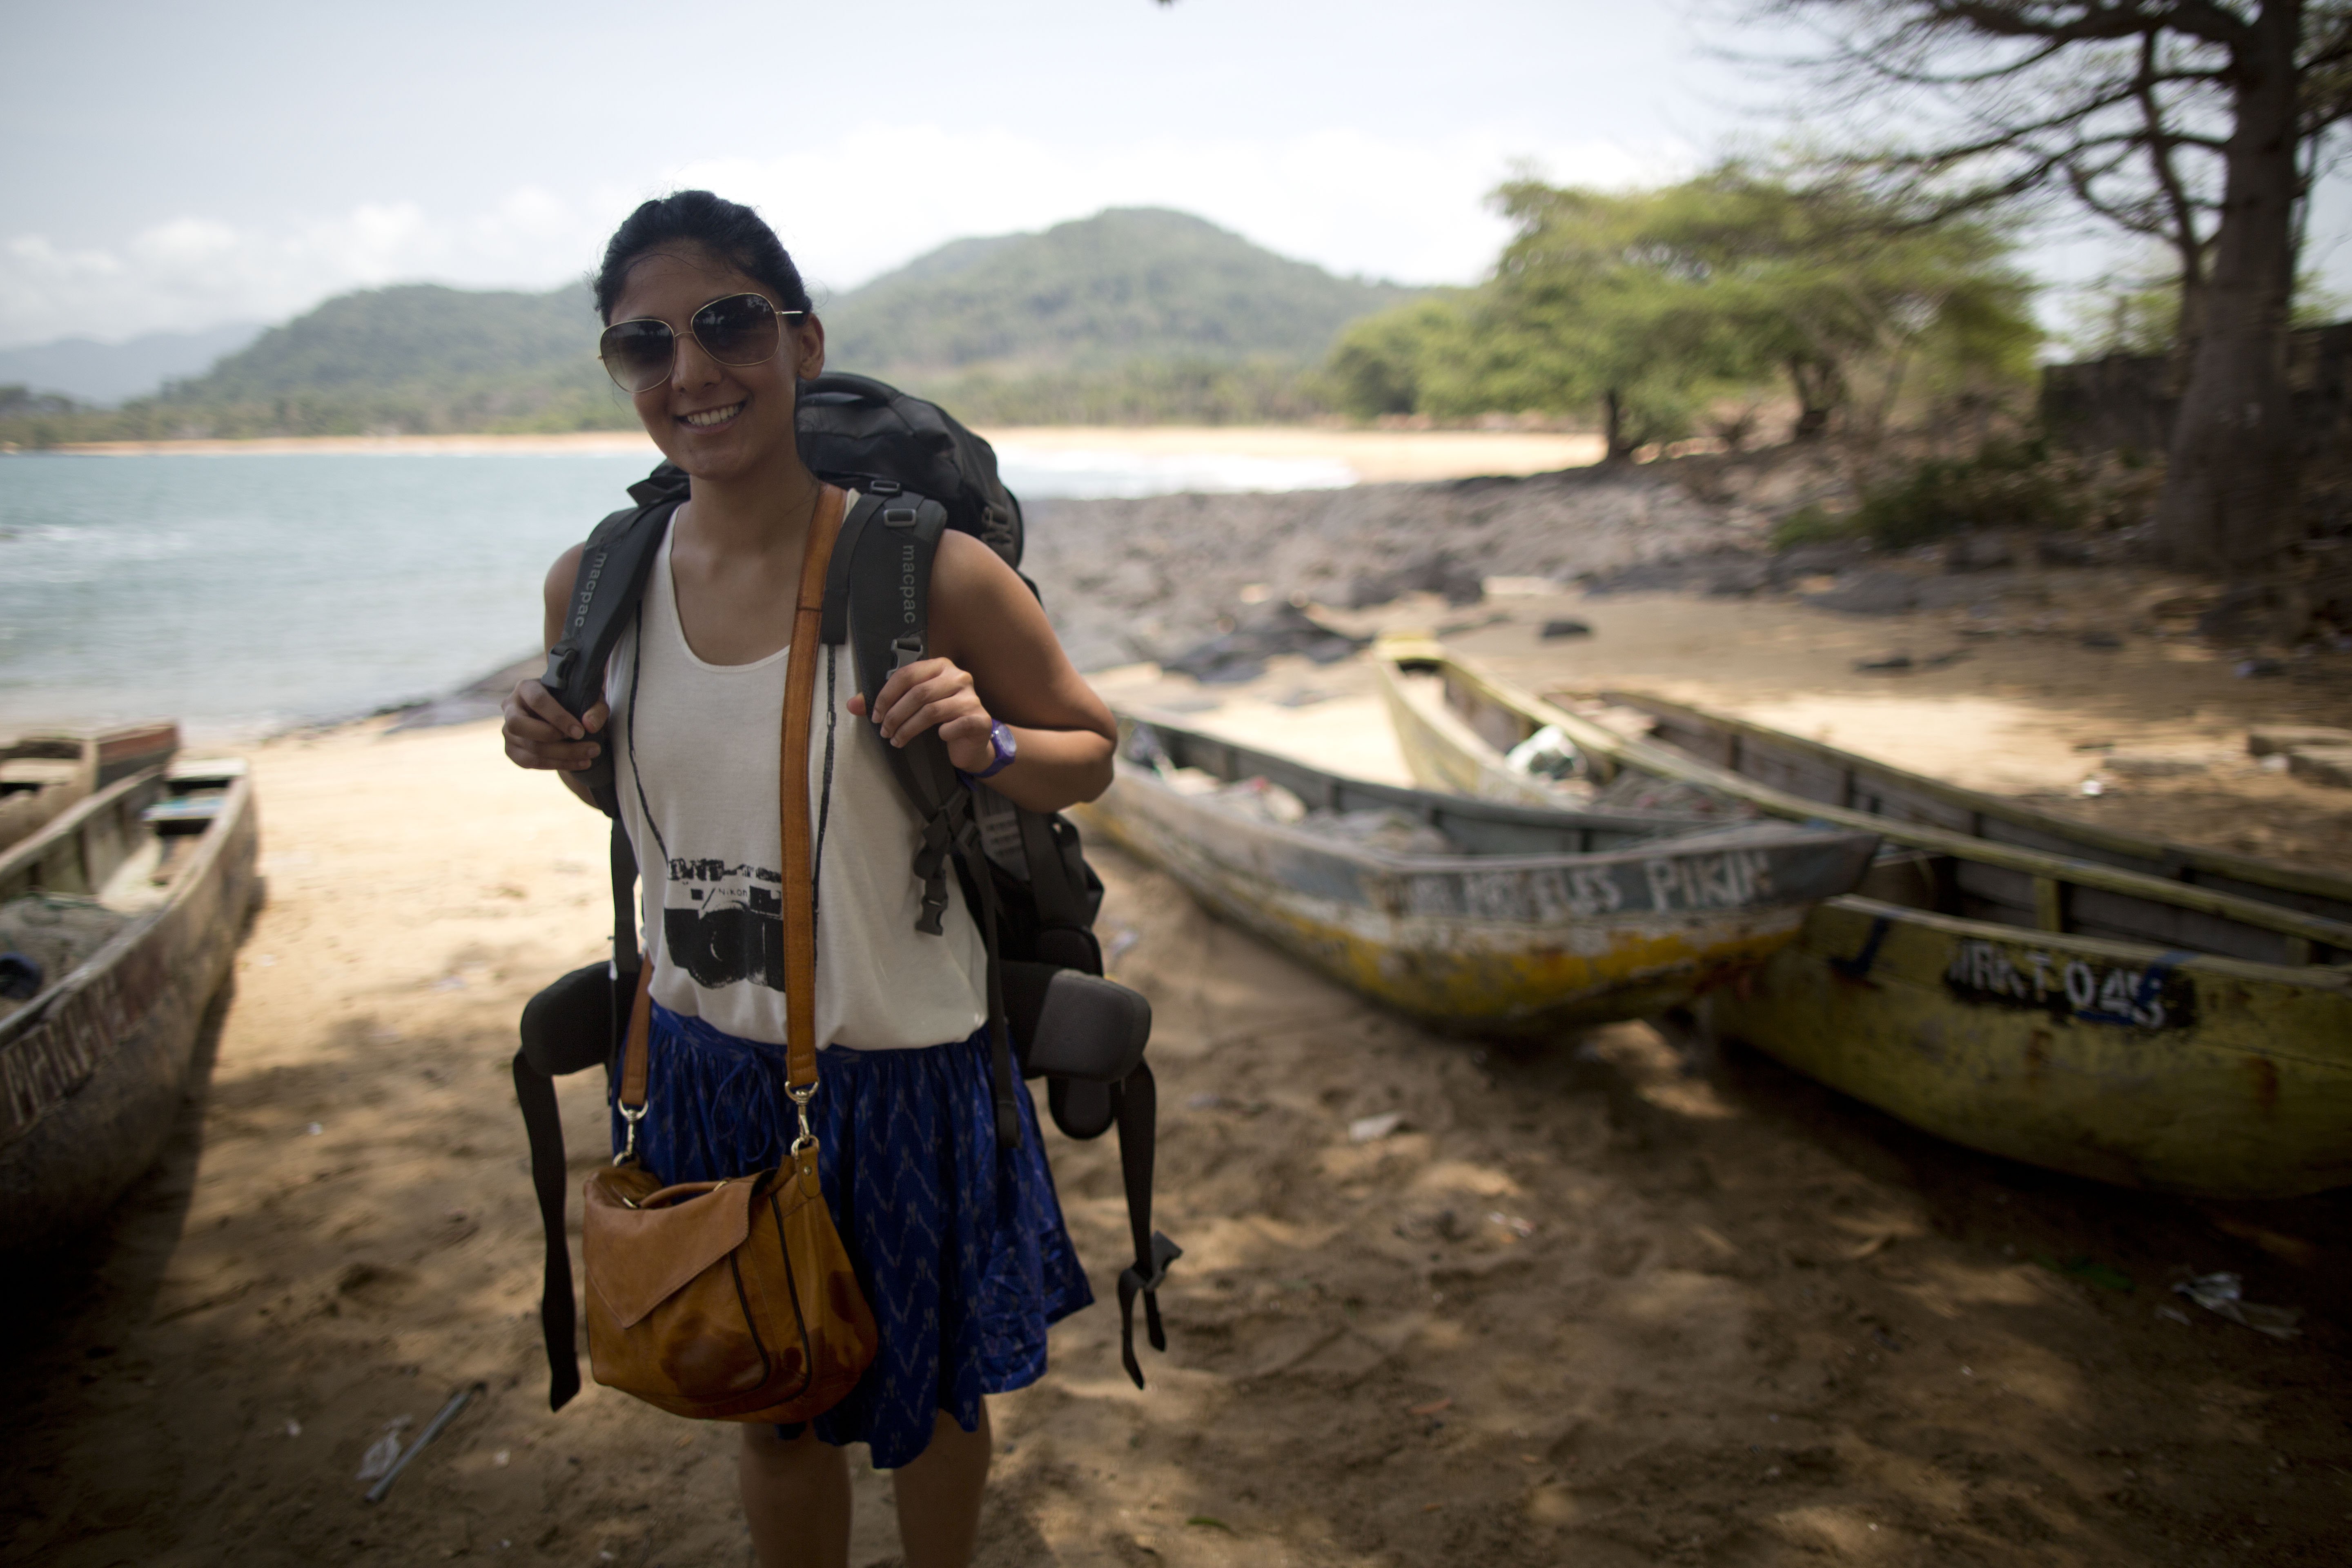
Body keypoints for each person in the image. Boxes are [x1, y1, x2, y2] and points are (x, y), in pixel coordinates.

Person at [499, 190, 1116, 1568]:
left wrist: (992, 735)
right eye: (643, 346)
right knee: (770, 1404)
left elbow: (1089, 755)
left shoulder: (926, 574)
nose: (690, 371)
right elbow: (648, 795)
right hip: (708, 1062)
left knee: (936, 1399)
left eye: (726, 325)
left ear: (801, 343)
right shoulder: (591, 587)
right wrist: (561, 752)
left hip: (906, 1059)